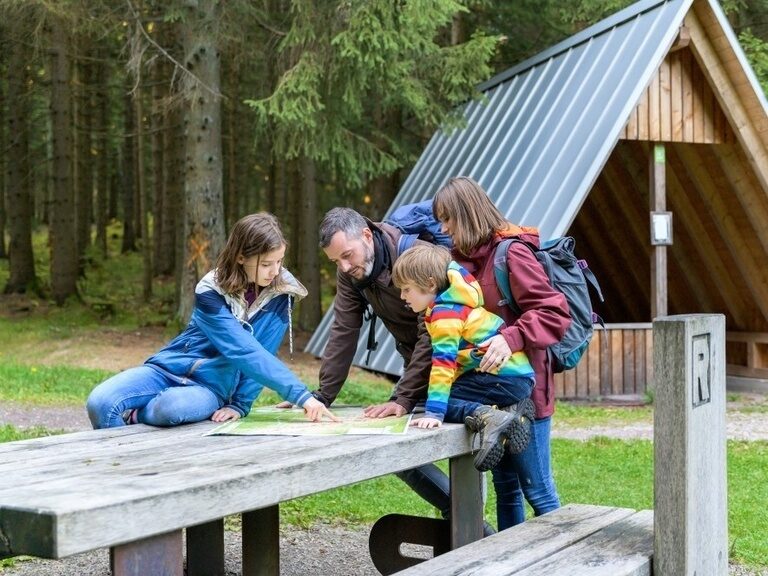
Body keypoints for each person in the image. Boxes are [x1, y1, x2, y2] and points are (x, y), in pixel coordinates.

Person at [310, 207, 494, 535]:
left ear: (366, 235)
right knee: (402, 445)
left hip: (456, 363)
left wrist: (403, 398)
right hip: (421, 364)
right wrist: (321, 396)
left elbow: (432, 334)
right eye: (335, 261)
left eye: (347, 255)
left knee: (452, 438)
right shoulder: (351, 273)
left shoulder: (413, 256)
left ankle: (473, 530)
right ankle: (464, 524)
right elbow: (343, 330)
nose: (343, 266)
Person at [86, 212, 337, 429]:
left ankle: (135, 419)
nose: (275, 272)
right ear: (241, 257)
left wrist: (240, 404)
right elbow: (242, 349)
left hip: (210, 388)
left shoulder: (282, 294)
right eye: (266, 264)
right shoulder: (210, 290)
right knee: (101, 402)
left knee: (168, 408)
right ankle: (118, 463)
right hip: (165, 370)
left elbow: (263, 352)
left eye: (280, 261)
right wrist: (302, 395)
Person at [432, 175, 571, 530]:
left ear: (466, 215)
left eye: (448, 219)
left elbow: (555, 313)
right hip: (492, 398)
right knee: (505, 489)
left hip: (528, 392)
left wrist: (510, 338)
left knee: (538, 492)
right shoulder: (459, 265)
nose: (443, 228)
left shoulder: (512, 253)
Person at [391, 243, 536, 472]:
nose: (402, 296)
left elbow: (444, 363)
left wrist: (436, 411)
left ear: (429, 284)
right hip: (515, 378)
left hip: (505, 378)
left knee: (439, 402)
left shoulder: (444, 313)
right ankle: (510, 411)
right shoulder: (455, 305)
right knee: (434, 398)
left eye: (406, 289)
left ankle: (489, 418)